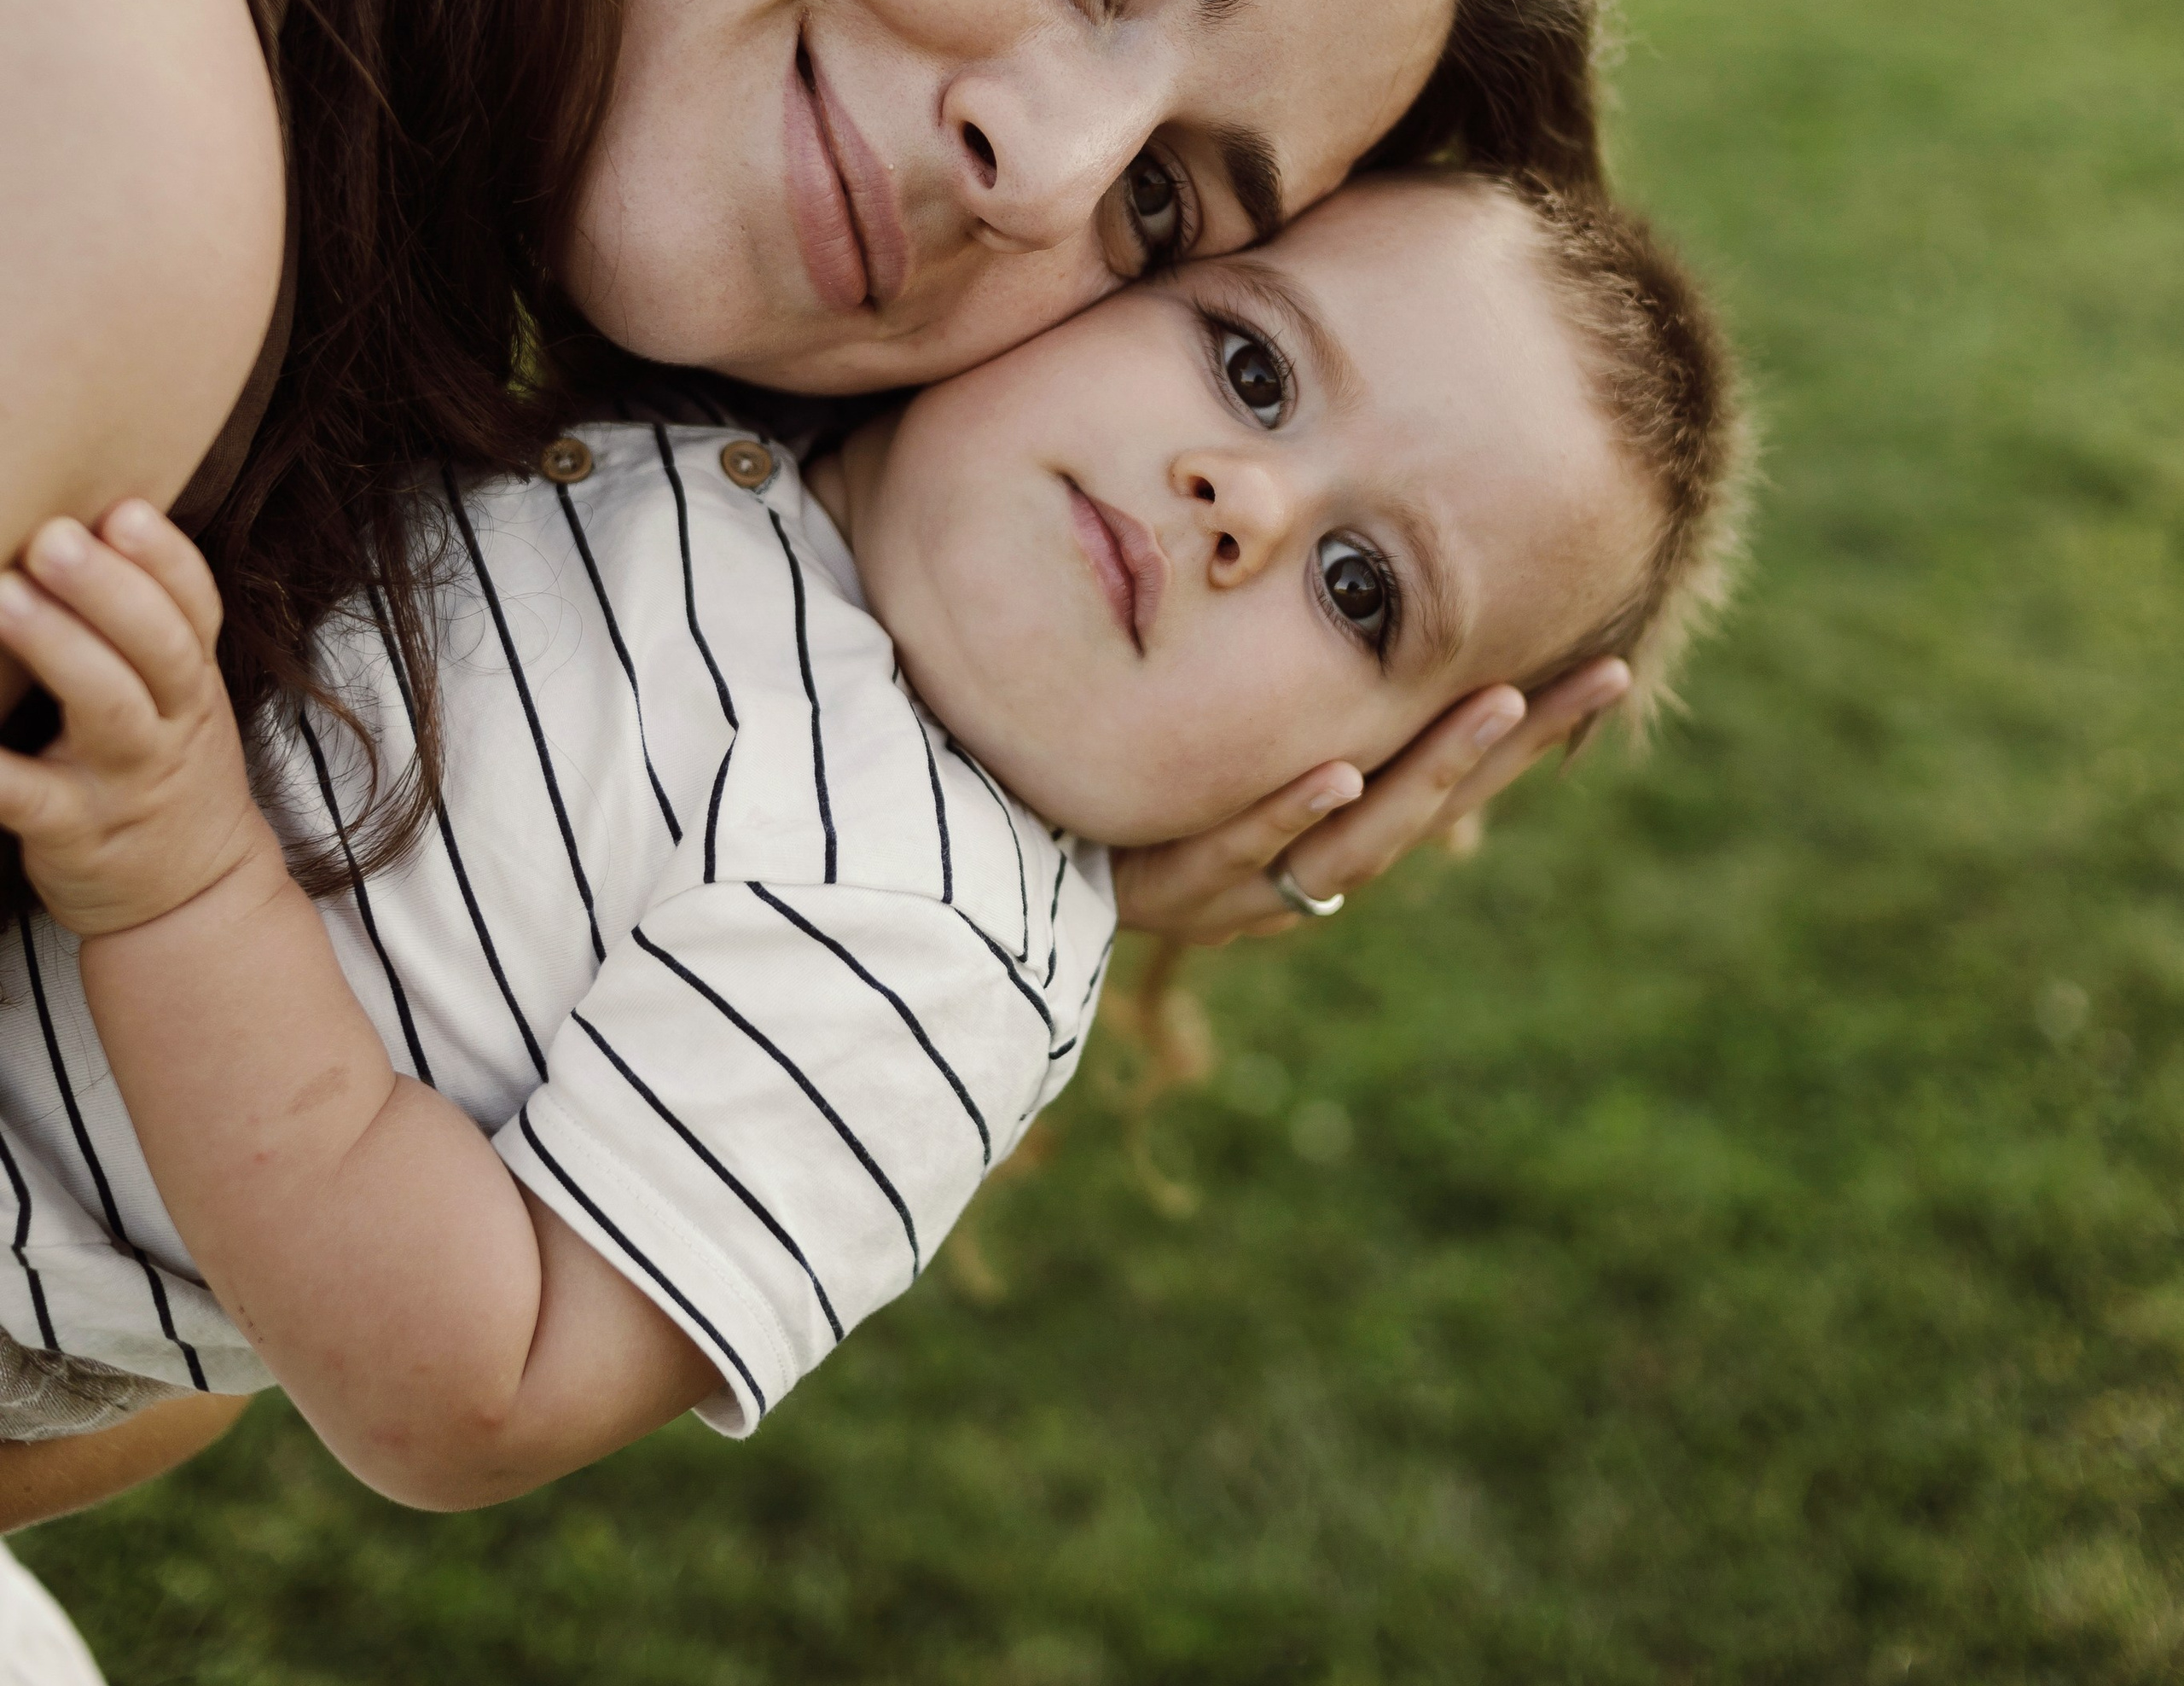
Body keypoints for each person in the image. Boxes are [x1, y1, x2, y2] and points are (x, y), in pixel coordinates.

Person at [0, 0, 1629, 1533]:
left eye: (1165, 210)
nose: (1042, 174)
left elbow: (119, 1379)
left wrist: (979, 811)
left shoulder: (497, 322)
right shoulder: (114, 142)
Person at [0, 168, 1740, 1514]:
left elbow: (481, 1381)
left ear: (1366, 781)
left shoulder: (923, 942)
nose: (1243, 498)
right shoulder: (760, 420)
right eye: (1251, 363)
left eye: (1359, 589)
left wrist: (179, 873)